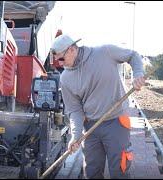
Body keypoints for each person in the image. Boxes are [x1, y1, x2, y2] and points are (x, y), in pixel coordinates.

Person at [50, 34, 145, 179]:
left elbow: (133, 56)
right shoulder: (65, 79)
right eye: (57, 61)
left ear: (72, 49)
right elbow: (75, 110)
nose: (60, 64)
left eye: (61, 59)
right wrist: (75, 135)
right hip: (90, 128)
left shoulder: (105, 52)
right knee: (92, 172)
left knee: (120, 170)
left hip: (116, 122)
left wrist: (138, 74)